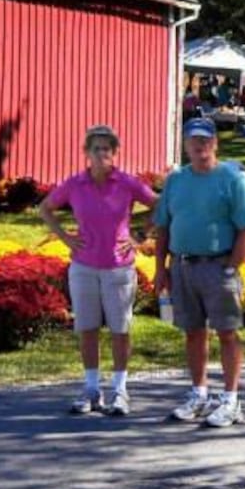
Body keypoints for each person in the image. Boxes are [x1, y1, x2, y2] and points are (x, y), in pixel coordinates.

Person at [39, 124, 158, 417]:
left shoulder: (127, 183)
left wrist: (140, 237)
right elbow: (45, 208)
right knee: (87, 328)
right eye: (96, 148)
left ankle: (120, 389)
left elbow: (161, 204)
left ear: (115, 153)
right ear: (87, 153)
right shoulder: (75, 184)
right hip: (83, 267)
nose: (102, 153)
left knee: (120, 329)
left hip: (119, 268)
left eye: (107, 148)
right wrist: (65, 238)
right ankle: (91, 388)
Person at [153, 118, 245, 428]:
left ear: (215, 144)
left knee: (227, 332)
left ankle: (230, 400)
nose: (199, 146)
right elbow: (163, 227)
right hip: (183, 266)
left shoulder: (231, 179)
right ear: (185, 145)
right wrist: (161, 269)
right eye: (193, 141)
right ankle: (199, 395)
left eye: (205, 140)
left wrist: (232, 266)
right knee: (193, 332)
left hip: (218, 266)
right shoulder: (176, 181)